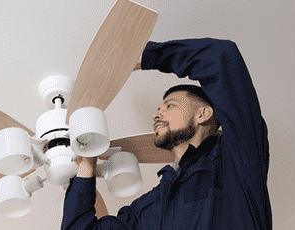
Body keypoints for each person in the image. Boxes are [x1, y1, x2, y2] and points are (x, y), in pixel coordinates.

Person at [61, 38, 271, 230]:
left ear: (204, 114)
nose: (155, 115)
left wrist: (143, 58)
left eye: (170, 106)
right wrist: (85, 166)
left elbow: (221, 57)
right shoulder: (151, 206)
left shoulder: (236, 159)